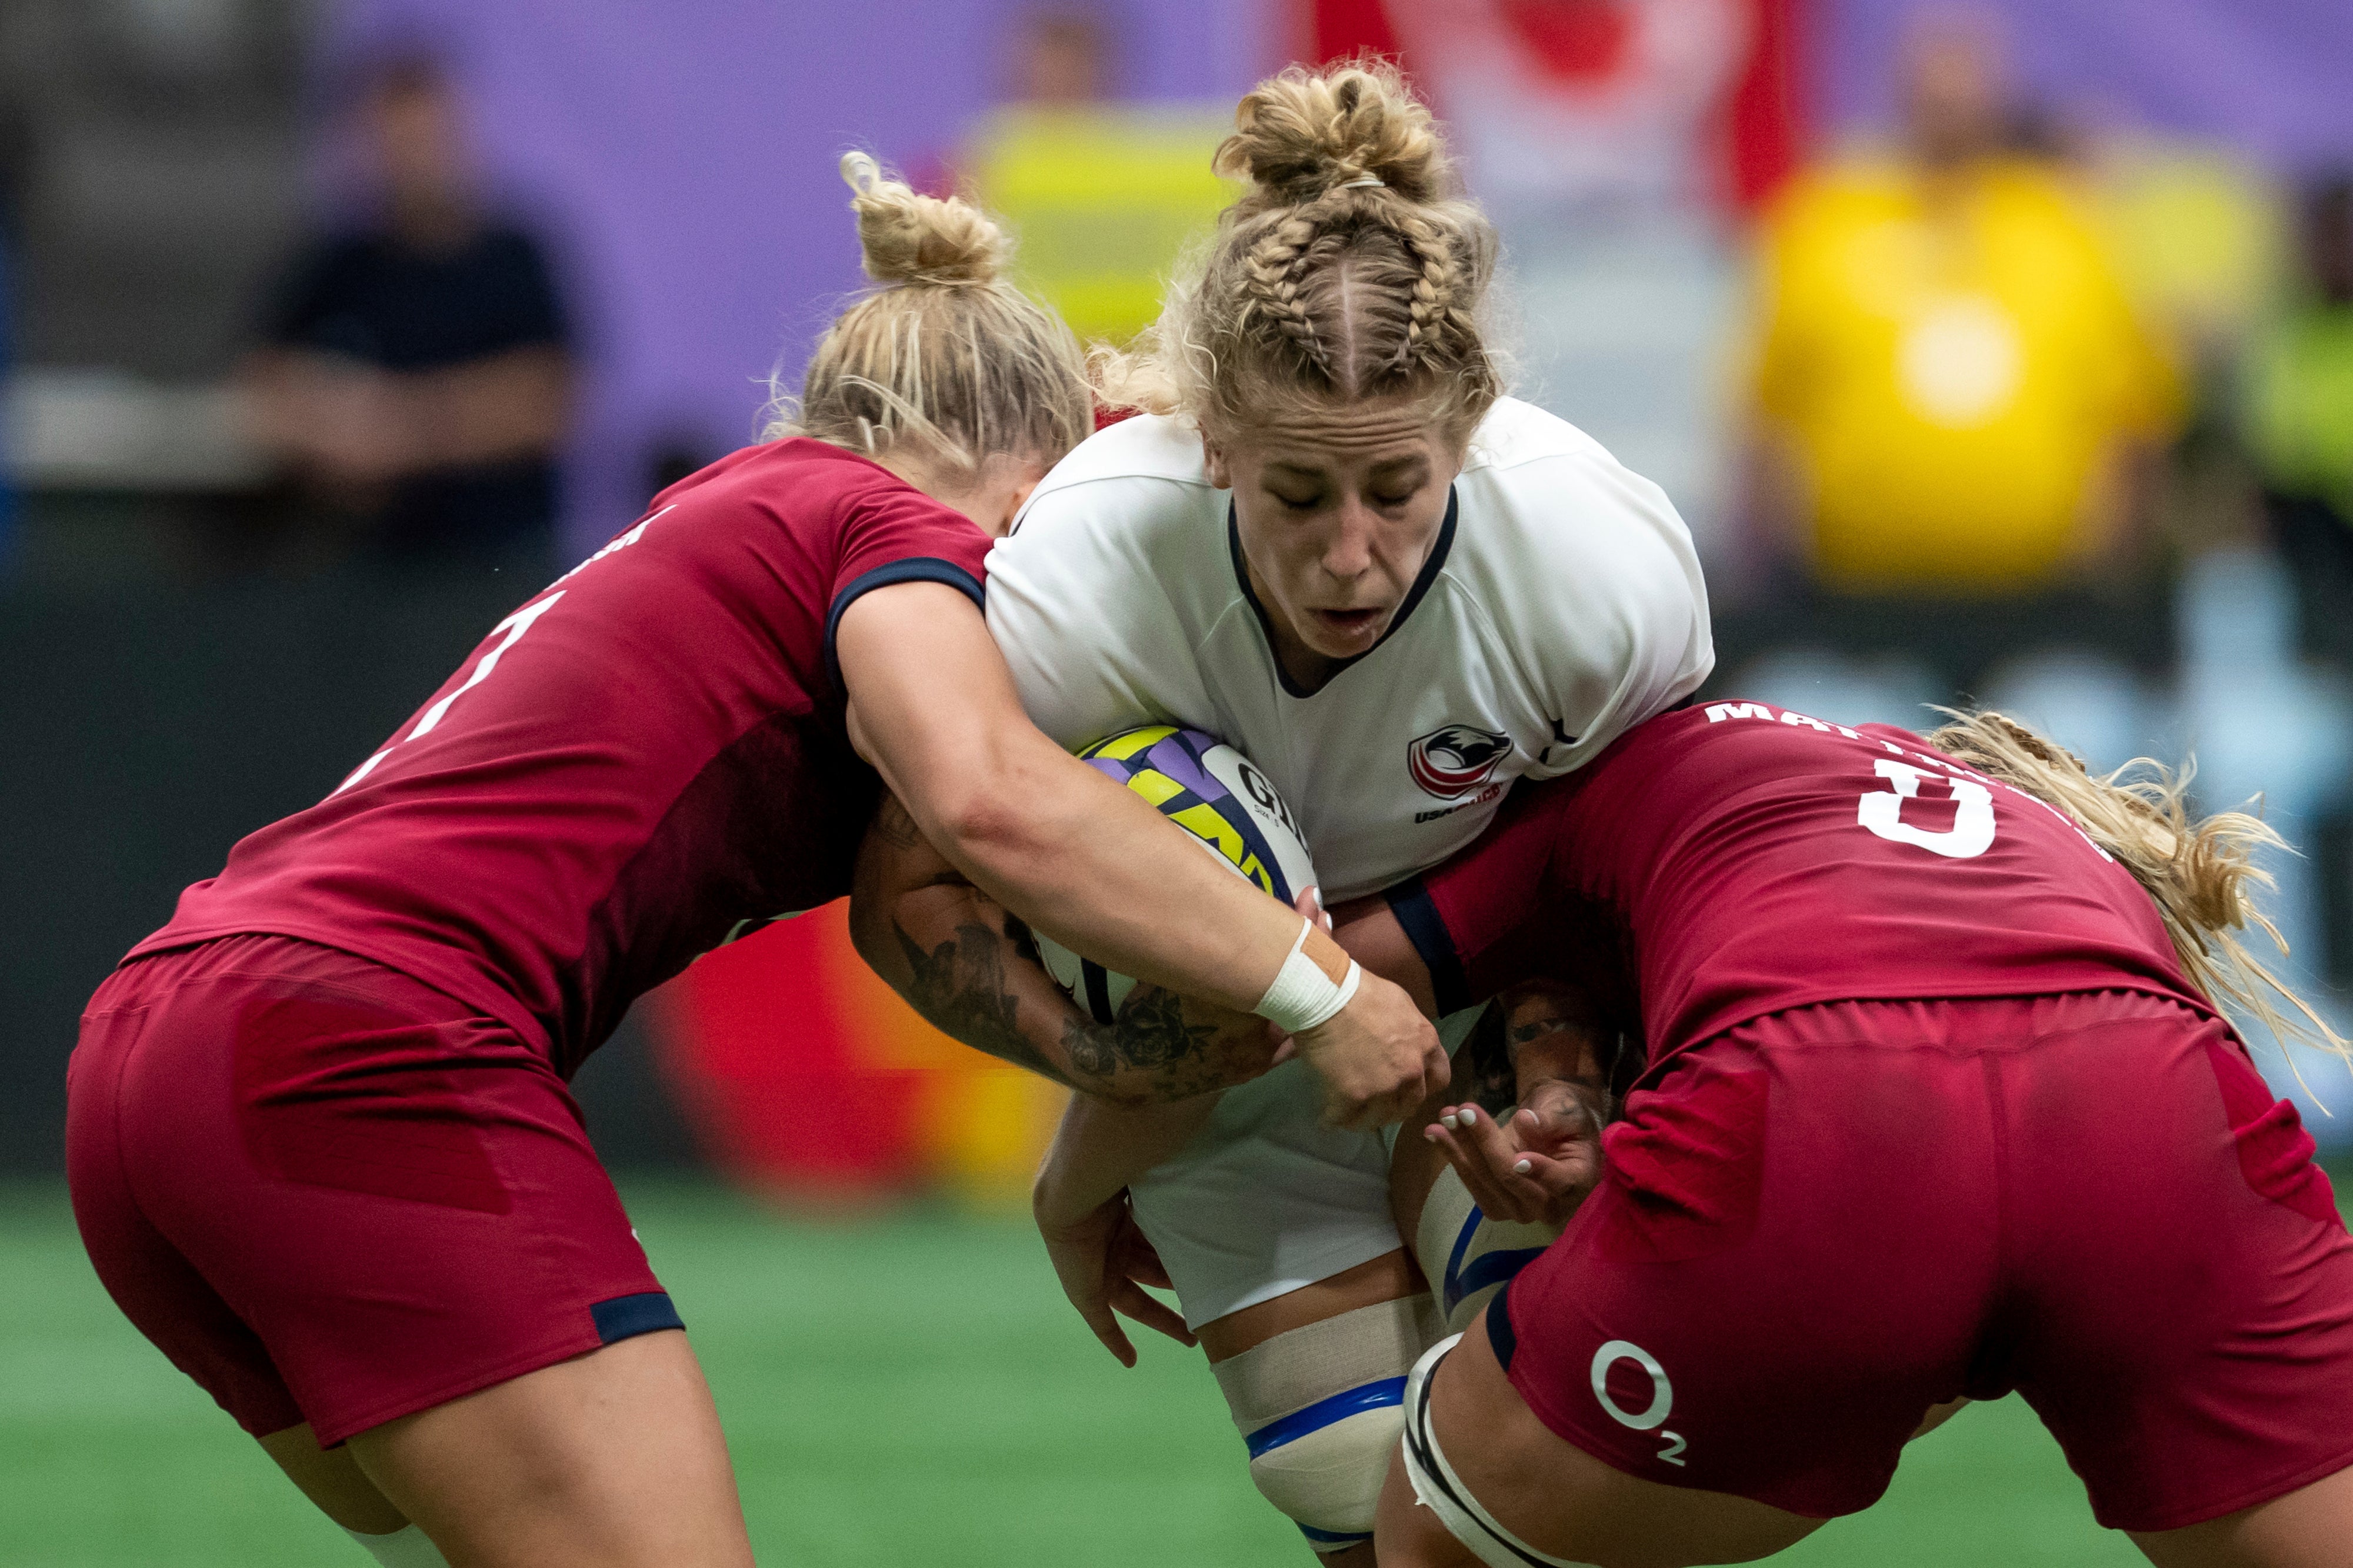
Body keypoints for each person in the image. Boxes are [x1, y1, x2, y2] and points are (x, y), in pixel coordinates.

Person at [64, 159, 1439, 1568]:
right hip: (354, 1044)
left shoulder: (739, 512)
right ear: (1038, 482)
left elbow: (907, 900)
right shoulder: (887, 523)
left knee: (436, 1524)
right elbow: (992, 798)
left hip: (157, 1049)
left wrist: (1092, 1126)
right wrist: (1323, 990)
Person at [856, 61, 1712, 1561]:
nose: (1352, 553)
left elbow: (1645, 846)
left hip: (1492, 1010)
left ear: (1474, 427)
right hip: (1220, 1071)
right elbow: (906, 883)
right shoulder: (1083, 576)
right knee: (1350, 1486)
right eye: (1298, 496)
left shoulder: (1593, 565)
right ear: (1210, 444)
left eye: (1398, 486)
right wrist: (1109, 1073)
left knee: (1544, 1478)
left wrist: (1565, 1054)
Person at [1314, 699, 2353, 1567]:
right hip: (2156, 1087)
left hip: (1828, 1111)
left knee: (1430, 1533)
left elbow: (1316, 986)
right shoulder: (2059, 852)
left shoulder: (1638, 763)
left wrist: (1149, 1158)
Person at [1729, 14, 2183, 714]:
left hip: (2039, 612)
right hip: (1860, 611)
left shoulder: (2063, 226)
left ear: (1999, 97)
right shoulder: (1827, 223)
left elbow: (2132, 419)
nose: (1947, 105)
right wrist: (1773, 581)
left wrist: (2106, 580)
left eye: (1964, 85)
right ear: (1898, 92)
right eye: (1931, 85)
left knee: (2080, 733)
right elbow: (1767, 416)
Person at [242, 55, 574, 569]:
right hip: (372, 564)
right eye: (393, 141)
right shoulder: (341, 267)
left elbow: (544, 400)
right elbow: (264, 385)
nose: (410, 159)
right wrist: (330, 439)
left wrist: (397, 433)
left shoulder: (514, 260)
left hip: (497, 559)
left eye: (423, 138)